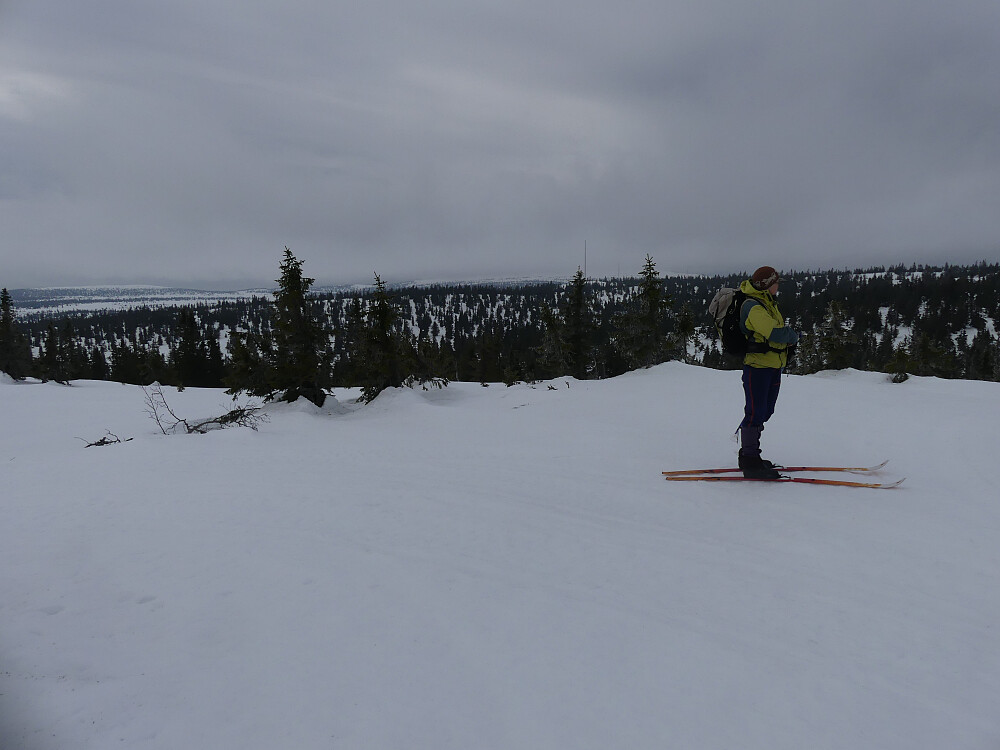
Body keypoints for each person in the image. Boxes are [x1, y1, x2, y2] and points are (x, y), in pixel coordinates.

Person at [738, 266, 799, 479]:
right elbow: (774, 332)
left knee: (765, 411)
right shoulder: (753, 306)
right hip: (758, 367)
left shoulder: (766, 302)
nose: (778, 285)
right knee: (755, 412)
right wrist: (792, 336)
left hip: (772, 365)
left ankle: (750, 455)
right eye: (776, 282)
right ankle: (750, 460)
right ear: (766, 284)